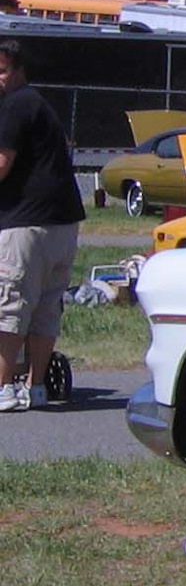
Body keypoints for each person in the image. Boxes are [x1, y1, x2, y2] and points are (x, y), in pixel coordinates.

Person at [0, 38, 85, 411]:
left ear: (18, 70)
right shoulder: (37, 103)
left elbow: (2, 164)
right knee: (45, 309)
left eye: (1, 70)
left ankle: (2, 386)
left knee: (11, 307)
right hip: (62, 224)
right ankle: (36, 387)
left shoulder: (16, 106)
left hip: (28, 224)